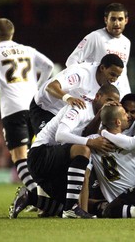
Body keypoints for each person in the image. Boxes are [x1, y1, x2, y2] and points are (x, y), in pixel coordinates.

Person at [0, 18, 54, 215]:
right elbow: (49, 66)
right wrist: (39, 88)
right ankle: (44, 197)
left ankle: (36, 197)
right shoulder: (27, 49)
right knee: (39, 154)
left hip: (13, 110)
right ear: (12, 33)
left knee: (19, 156)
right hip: (35, 107)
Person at [10, 83, 121, 219]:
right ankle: (71, 209)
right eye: (108, 100)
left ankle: (30, 198)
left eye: (114, 103)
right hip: (40, 155)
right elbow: (60, 136)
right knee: (84, 149)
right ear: (97, 96)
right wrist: (90, 142)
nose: (109, 105)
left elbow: (85, 134)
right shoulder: (81, 107)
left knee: (64, 206)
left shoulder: (99, 117)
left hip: (57, 165)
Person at [30, 53, 124, 135]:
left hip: (66, 114)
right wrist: (69, 98)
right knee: (46, 145)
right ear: (102, 68)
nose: (114, 79)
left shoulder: (111, 84)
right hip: (45, 108)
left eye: (117, 76)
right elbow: (51, 87)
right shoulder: (81, 73)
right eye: (112, 74)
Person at [65, 2, 131, 98]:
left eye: (120, 19)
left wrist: (127, 95)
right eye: (113, 19)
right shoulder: (95, 37)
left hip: (111, 96)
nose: (117, 23)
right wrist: (81, 85)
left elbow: (123, 72)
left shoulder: (126, 42)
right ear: (105, 20)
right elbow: (71, 61)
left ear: (126, 20)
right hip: (92, 95)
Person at [87, 104, 135, 217]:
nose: (128, 116)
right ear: (118, 122)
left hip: (113, 201)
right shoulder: (130, 141)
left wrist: (102, 132)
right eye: (124, 114)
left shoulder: (93, 141)